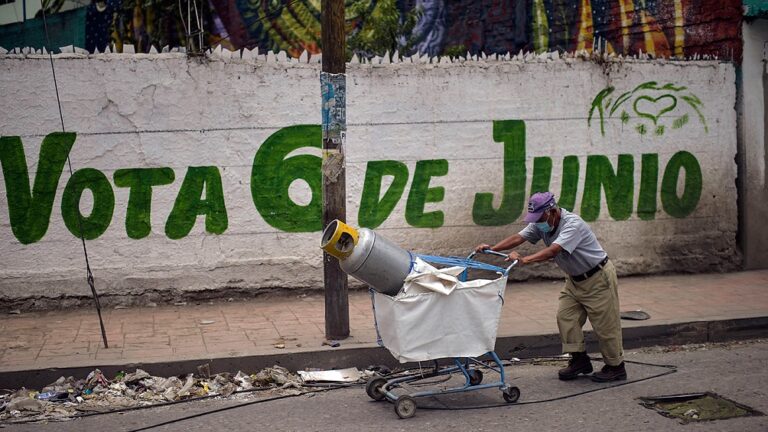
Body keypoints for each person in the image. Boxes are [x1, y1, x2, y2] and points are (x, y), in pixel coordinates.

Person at [474, 191, 626, 382]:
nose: (537, 223)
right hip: (574, 280)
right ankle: (579, 360)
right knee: (566, 318)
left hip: (597, 277)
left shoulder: (573, 224)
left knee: (605, 326)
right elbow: (518, 238)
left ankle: (616, 366)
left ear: (552, 211)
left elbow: (554, 250)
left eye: (540, 218)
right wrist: (491, 249)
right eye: (535, 219)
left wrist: (524, 260)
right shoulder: (542, 223)